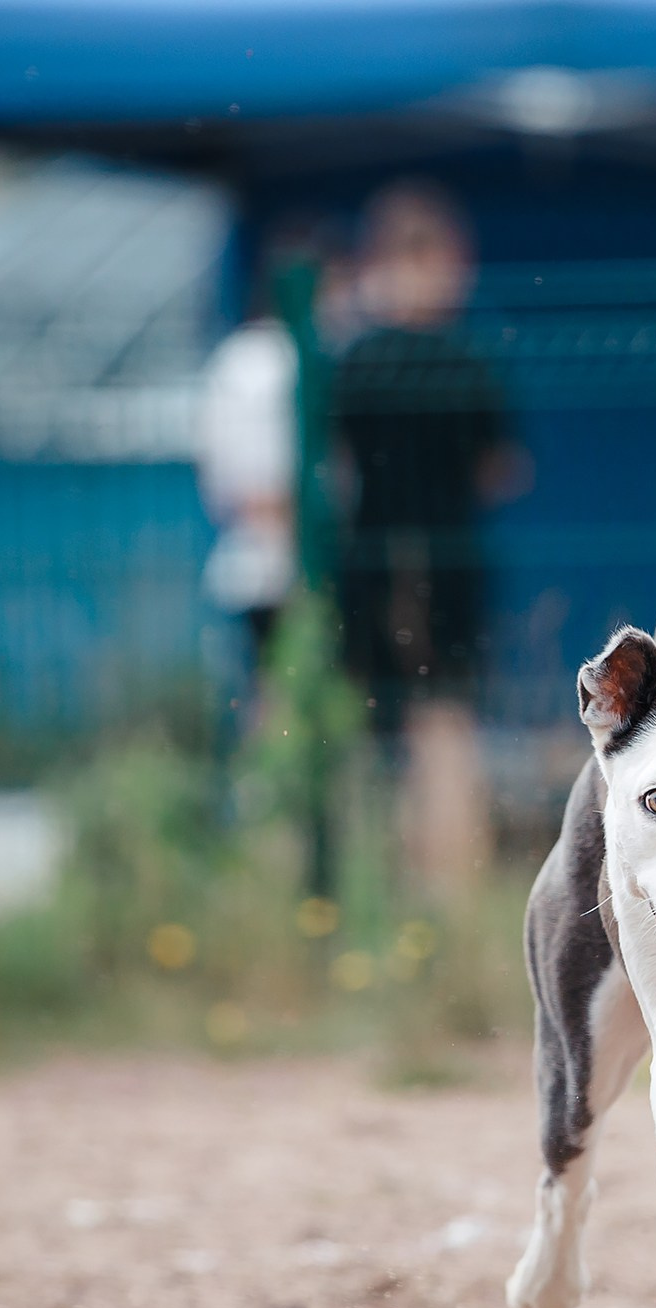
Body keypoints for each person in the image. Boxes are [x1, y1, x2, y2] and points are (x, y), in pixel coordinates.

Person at [330, 181, 529, 897]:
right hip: (447, 561)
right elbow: (500, 469)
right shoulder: (467, 360)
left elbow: (331, 465)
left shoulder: (350, 361)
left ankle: (376, 879)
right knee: (444, 723)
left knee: (370, 721)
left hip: (372, 561)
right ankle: (449, 881)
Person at [193, 306, 298, 709]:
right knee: (279, 686)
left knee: (269, 684)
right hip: (273, 557)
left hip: (253, 555)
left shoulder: (234, 361)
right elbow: (254, 484)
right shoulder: (269, 362)